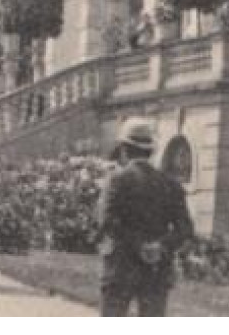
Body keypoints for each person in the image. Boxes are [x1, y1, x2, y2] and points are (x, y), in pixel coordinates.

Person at [96, 118, 194, 316]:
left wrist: (138, 245)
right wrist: (160, 246)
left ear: (124, 148)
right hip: (156, 270)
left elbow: (107, 222)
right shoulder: (171, 184)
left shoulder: (117, 181)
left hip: (121, 267)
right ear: (151, 150)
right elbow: (185, 229)